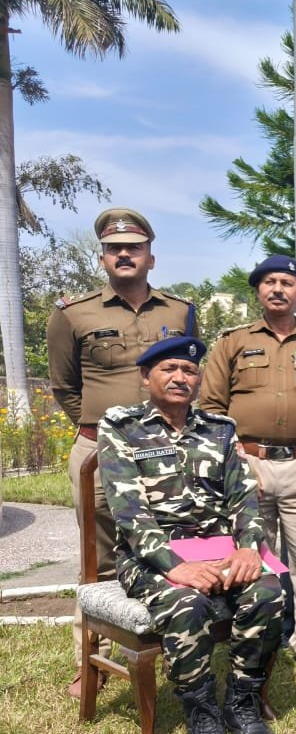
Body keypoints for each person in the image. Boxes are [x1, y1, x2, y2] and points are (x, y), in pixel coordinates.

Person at [97, 336, 285, 734]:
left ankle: (242, 702)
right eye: (169, 369)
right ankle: (202, 712)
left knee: (268, 591)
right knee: (187, 603)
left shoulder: (220, 429)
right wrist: (174, 566)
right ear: (146, 377)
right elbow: (129, 513)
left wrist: (248, 548)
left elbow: (244, 498)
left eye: (189, 371)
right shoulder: (122, 427)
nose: (180, 378)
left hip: (219, 550)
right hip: (150, 556)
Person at [47, 207, 198, 699]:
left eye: (134, 247)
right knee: (98, 556)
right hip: (98, 450)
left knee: (173, 542)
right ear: (103, 258)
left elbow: (187, 371)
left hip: (168, 447)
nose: (124, 254)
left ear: (151, 257)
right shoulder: (73, 313)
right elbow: (64, 385)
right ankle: (89, 659)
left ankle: (175, 642)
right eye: (115, 249)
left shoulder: (179, 311)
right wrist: (109, 432)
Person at [199, 255, 296, 670]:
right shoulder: (232, 342)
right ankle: (255, 634)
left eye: (286, 282)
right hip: (249, 462)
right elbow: (211, 409)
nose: (278, 289)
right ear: (258, 291)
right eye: (269, 282)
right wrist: (237, 463)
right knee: (251, 553)